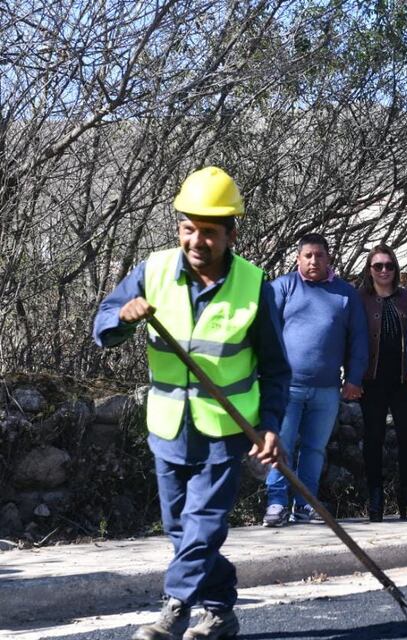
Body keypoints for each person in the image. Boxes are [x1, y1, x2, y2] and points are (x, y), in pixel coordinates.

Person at [93, 167, 289, 640]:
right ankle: (220, 610)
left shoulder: (253, 285)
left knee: (203, 524)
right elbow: (103, 324)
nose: (197, 240)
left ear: (230, 234)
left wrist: (270, 426)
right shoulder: (154, 271)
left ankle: (175, 606)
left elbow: (277, 368)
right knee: (180, 528)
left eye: (208, 232)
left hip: (226, 428)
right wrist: (123, 315)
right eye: (188, 229)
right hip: (167, 426)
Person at [262, 234, 369, 527]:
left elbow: (358, 341)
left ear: (328, 258)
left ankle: (305, 505)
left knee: (314, 448)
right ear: (298, 258)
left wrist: (354, 378)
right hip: (286, 387)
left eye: (319, 255)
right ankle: (276, 503)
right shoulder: (283, 287)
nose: (313, 261)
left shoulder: (345, 294)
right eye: (307, 255)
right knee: (280, 445)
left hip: (327, 389)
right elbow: (266, 334)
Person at [357, 244, 407, 521]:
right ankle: (375, 495)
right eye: (378, 266)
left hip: (403, 380)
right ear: (369, 269)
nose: (384, 270)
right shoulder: (359, 299)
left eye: (389, 265)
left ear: (396, 269)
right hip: (371, 381)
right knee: (373, 439)